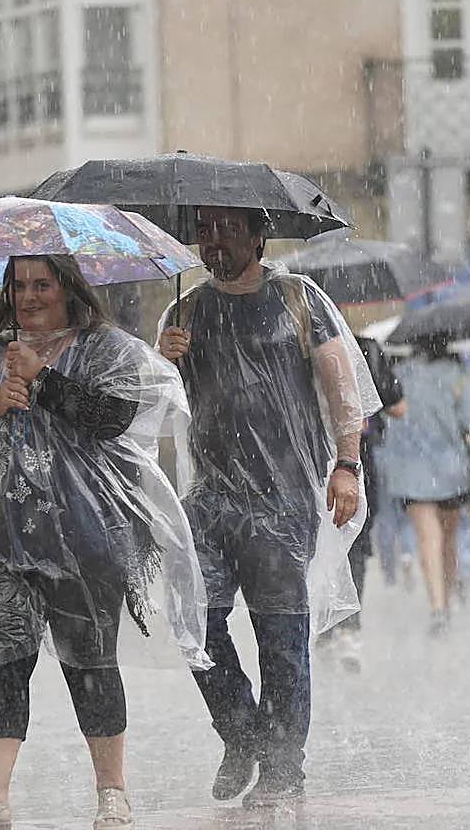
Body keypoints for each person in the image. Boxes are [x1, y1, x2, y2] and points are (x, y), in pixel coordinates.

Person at [0, 255, 209, 830]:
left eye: (42, 285)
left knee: (91, 666)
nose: (29, 297)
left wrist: (43, 378)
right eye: (18, 285)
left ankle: (112, 792)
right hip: (1, 541)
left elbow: (114, 417)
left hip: (85, 538)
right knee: (2, 666)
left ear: (68, 288)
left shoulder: (107, 350)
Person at [157, 206, 379, 807]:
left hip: (283, 500)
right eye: (204, 228)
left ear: (258, 234)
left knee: (281, 636)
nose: (214, 240)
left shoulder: (298, 300)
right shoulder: (183, 311)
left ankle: (284, 768)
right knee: (195, 619)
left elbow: (342, 388)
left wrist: (347, 464)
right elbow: (159, 410)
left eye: (228, 227)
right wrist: (165, 361)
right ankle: (241, 732)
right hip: (208, 498)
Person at [380, 336, 470, 635]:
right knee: (449, 537)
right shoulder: (459, 376)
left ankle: (436, 606)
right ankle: (445, 600)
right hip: (451, 470)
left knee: (427, 538)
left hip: (411, 469)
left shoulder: (400, 375)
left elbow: (391, 416)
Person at [318, 335, 406, 672]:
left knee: (318, 546)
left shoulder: (297, 341)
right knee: (355, 545)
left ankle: (325, 628)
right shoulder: (365, 348)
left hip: (311, 460)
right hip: (357, 464)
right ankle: (349, 632)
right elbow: (399, 407)